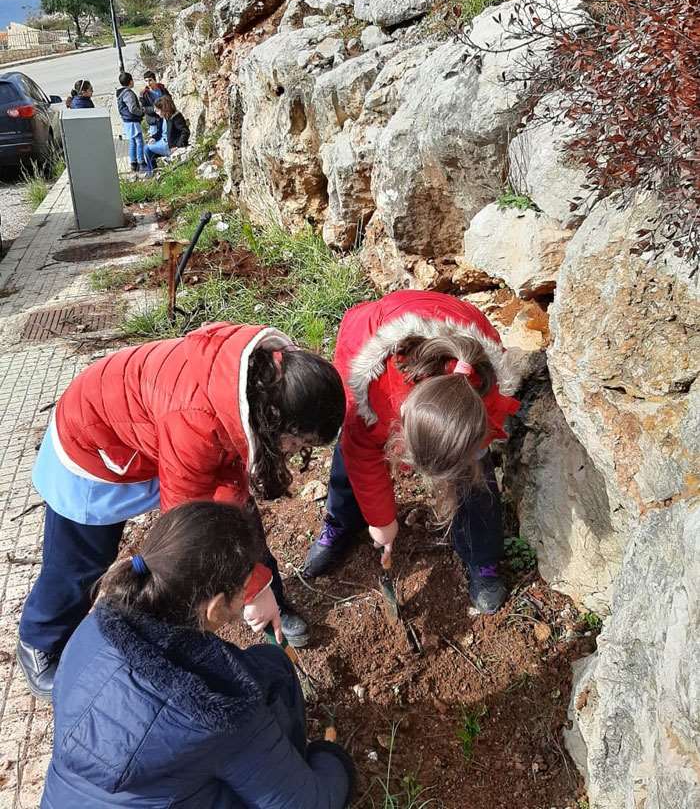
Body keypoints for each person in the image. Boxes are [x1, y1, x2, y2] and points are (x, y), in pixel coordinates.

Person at [16, 321, 346, 700]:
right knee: (81, 563)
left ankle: (273, 604)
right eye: (296, 442)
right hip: (94, 442)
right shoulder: (197, 422)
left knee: (242, 521)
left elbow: (226, 499)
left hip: (161, 434)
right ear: (275, 421)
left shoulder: (252, 384)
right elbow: (191, 528)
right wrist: (249, 586)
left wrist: (258, 587)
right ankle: (40, 641)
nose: (292, 452)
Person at [41, 501, 355, 808]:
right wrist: (330, 757)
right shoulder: (220, 709)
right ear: (216, 606)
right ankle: (289, 760)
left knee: (271, 665)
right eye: (246, 589)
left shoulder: (93, 628)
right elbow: (312, 802)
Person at [303, 291, 521, 614]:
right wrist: (381, 521)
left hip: (458, 342)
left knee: (474, 474)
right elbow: (361, 452)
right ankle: (341, 522)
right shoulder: (369, 384)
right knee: (353, 451)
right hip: (374, 339)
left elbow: (470, 449)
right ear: (402, 414)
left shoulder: (485, 391)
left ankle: (482, 556)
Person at [144, 95, 190, 175]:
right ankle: (153, 171)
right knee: (148, 147)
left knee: (146, 148)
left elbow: (185, 131)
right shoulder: (164, 117)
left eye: (158, 110)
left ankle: (151, 172)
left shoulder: (176, 117)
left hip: (169, 145)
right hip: (163, 142)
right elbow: (160, 131)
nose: (157, 113)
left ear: (164, 109)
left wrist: (178, 146)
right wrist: (153, 138)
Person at [116, 71, 146, 173]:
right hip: (132, 121)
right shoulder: (128, 93)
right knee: (139, 142)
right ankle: (141, 163)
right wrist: (141, 112)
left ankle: (134, 164)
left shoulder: (121, 93)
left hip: (127, 121)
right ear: (130, 81)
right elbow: (133, 108)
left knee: (132, 142)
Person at [140, 70, 170, 141]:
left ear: (155, 80)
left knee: (166, 138)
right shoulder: (144, 94)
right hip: (154, 121)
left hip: (165, 118)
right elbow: (143, 108)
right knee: (154, 140)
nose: (148, 83)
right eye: (146, 81)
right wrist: (155, 109)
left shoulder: (162, 89)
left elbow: (169, 100)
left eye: (150, 80)